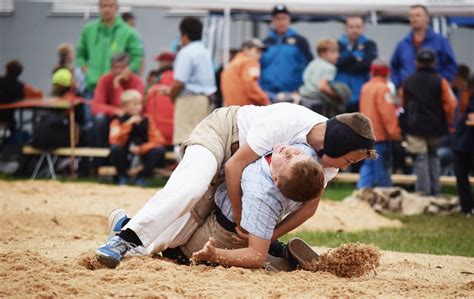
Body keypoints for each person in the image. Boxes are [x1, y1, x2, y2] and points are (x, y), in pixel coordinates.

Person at [92, 102, 377, 268]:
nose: (345, 167)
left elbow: (309, 207)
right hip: (226, 134)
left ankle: (131, 225)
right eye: (349, 160)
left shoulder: (327, 163)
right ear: (337, 144)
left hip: (246, 165)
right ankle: (126, 237)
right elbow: (234, 165)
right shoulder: (289, 121)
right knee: (192, 185)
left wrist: (267, 234)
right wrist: (243, 220)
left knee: (190, 223)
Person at [97, 143, 325, 269]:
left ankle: (126, 226)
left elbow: (254, 256)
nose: (289, 150)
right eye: (297, 153)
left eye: (289, 158)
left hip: (218, 229)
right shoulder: (300, 171)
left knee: (175, 250)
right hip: (218, 212)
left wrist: (215, 255)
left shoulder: (261, 192)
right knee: (167, 235)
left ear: (276, 180)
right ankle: (125, 225)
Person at [399, 48, 456, 196]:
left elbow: (402, 103)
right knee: (434, 157)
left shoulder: (408, 81)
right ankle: (436, 191)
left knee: (421, 158)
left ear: (416, 62)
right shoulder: (440, 81)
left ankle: (423, 192)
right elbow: (451, 104)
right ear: (434, 63)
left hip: (415, 127)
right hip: (436, 127)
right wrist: (447, 121)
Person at [164, 16, 216, 152]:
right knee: (201, 141)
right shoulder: (205, 51)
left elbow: (179, 82)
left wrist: (171, 95)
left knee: (183, 142)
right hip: (205, 100)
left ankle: (186, 172)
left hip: (189, 101)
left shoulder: (186, 53)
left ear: (184, 34)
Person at [76, 0, 144, 96]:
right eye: (103, 6)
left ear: (117, 8)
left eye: (110, 6)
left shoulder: (128, 32)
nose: (107, 9)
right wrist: (86, 70)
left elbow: (137, 57)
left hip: (117, 88)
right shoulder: (88, 30)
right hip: (92, 88)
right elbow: (80, 54)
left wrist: (127, 72)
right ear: (99, 8)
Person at [357, 59, 401, 189]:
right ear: (387, 73)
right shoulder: (384, 89)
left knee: (368, 167)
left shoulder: (366, 87)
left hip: (366, 134)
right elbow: (388, 114)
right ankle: (385, 195)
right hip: (380, 136)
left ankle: (362, 194)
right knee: (382, 168)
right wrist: (395, 133)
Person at [390, 5, 457, 88]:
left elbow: (451, 65)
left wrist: (441, 82)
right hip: (409, 91)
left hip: (433, 91)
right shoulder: (402, 44)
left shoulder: (440, 41)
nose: (414, 19)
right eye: (411, 16)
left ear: (427, 18)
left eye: (418, 15)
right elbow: (394, 67)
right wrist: (398, 83)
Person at [109, 89, 166, 186]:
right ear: (125, 107)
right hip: (125, 155)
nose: (138, 107)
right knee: (115, 149)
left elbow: (159, 140)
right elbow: (113, 140)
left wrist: (141, 149)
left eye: (139, 104)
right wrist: (128, 124)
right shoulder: (117, 121)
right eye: (134, 105)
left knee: (159, 150)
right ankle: (122, 177)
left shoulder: (147, 121)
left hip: (142, 155)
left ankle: (143, 178)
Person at [92, 52, 145, 148]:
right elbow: (96, 107)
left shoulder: (137, 82)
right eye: (116, 67)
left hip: (130, 119)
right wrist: (114, 111)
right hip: (112, 118)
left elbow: (131, 107)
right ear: (111, 68)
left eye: (123, 67)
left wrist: (117, 86)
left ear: (129, 68)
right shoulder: (104, 80)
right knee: (99, 119)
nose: (119, 71)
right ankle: (102, 154)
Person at [260, 4, 313, 100]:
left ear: (289, 20)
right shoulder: (265, 43)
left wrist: (301, 89)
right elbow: (260, 66)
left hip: (292, 93)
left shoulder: (300, 41)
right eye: (278, 18)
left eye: (284, 18)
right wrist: (262, 89)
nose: (281, 22)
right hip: (268, 94)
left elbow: (310, 66)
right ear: (272, 20)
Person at [299, 39, 351, 117]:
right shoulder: (330, 67)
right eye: (333, 52)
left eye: (337, 52)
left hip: (303, 100)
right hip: (317, 103)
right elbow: (322, 86)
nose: (337, 55)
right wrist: (337, 96)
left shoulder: (313, 63)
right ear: (322, 53)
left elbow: (305, 78)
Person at [335, 16, 378, 113]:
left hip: (362, 93)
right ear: (345, 28)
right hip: (340, 93)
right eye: (351, 27)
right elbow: (337, 62)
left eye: (358, 27)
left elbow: (368, 64)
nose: (354, 30)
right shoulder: (337, 44)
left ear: (363, 28)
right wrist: (355, 59)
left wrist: (346, 62)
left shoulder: (369, 45)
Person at [221, 39, 270, 107]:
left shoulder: (233, 63)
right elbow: (250, 86)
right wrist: (265, 101)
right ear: (246, 49)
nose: (260, 55)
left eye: (261, 52)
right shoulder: (250, 62)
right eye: (257, 51)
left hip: (231, 108)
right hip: (245, 109)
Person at [0, 60, 43, 138]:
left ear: (6, 68)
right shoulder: (20, 87)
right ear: (19, 73)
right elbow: (38, 94)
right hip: (9, 122)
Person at [453, 76, 474, 215]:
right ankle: (466, 208)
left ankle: (467, 208)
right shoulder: (469, 99)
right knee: (461, 175)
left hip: (466, 143)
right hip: (463, 143)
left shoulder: (470, 98)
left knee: (461, 175)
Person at [144, 52, 175, 146]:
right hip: (177, 136)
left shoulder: (154, 89)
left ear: (163, 63)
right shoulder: (179, 86)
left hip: (157, 137)